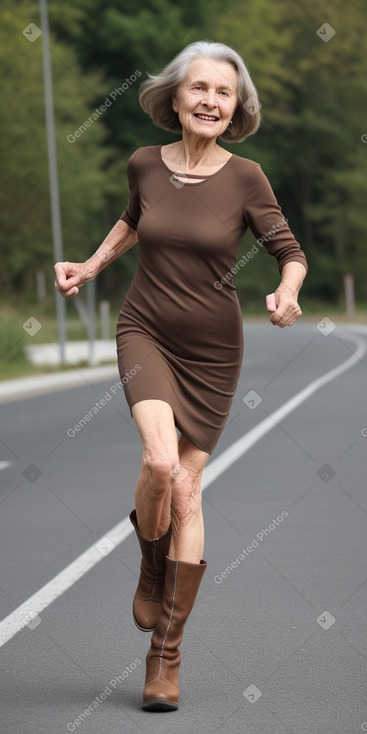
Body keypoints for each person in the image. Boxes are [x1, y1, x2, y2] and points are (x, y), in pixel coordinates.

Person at [54, 40, 308, 712]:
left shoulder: (246, 177)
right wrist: (89, 265)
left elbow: (289, 251)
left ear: (236, 106)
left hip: (213, 350)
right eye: (198, 89)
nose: (209, 101)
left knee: (188, 491)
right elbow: (133, 222)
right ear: (174, 98)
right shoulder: (144, 164)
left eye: (223, 93)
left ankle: (163, 657)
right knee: (161, 465)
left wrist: (287, 292)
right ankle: (149, 562)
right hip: (145, 330)